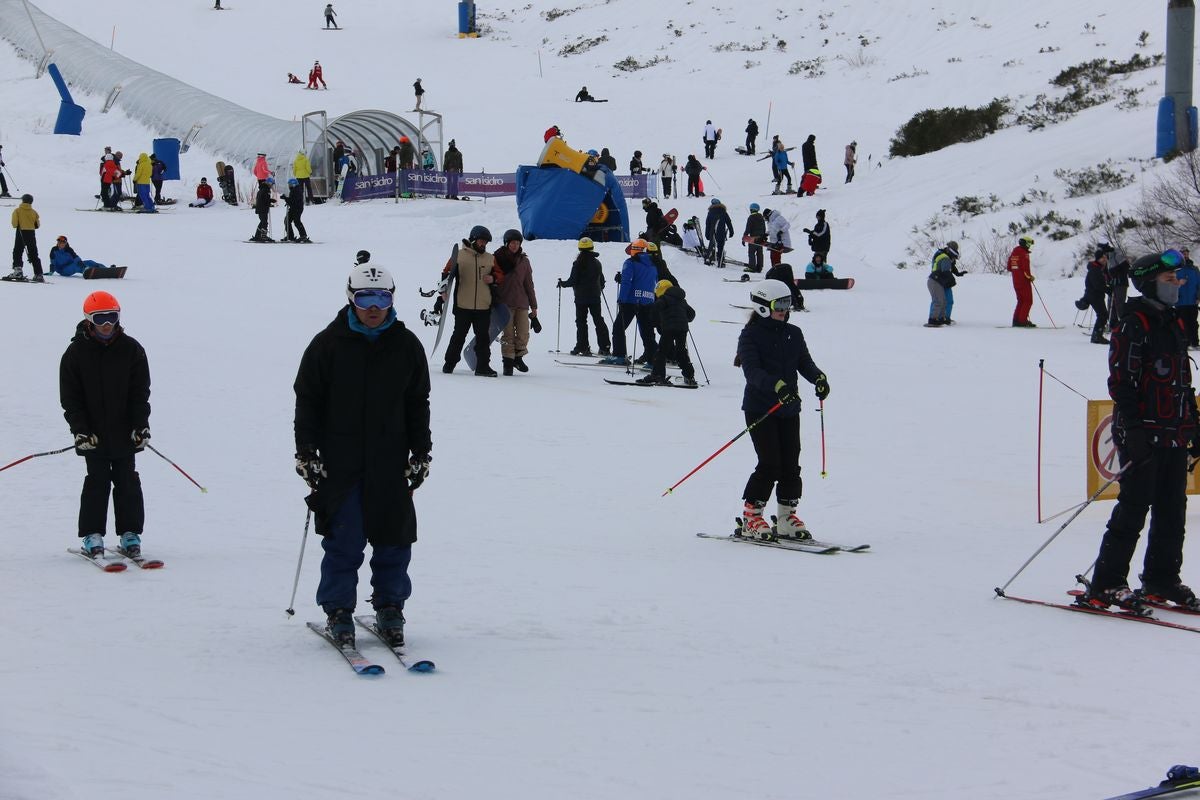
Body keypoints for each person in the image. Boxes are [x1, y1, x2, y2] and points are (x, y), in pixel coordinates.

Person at [294, 263, 433, 648]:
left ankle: (390, 606)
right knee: (344, 539)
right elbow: (307, 402)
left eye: (382, 298)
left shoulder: (406, 346)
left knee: (394, 538)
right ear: (350, 298)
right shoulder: (327, 345)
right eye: (365, 298)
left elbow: (417, 402)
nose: (374, 307)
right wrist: (306, 451)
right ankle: (339, 610)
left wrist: (422, 451)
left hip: (391, 461)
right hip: (342, 462)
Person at [1077, 249, 1200, 613]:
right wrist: (1133, 427)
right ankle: (1107, 583)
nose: (1176, 284)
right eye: (1168, 280)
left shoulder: (1175, 322)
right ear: (1149, 283)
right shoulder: (1134, 323)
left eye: (1176, 279)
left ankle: (1161, 578)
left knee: (1172, 509)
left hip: (1174, 432)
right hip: (1142, 431)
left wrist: (1193, 424)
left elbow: (1183, 381)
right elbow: (1122, 382)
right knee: (1134, 507)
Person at [735, 279, 830, 541]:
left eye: (788, 304)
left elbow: (805, 363)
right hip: (760, 408)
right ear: (764, 306)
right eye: (780, 304)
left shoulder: (793, 333)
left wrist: (819, 378)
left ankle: (787, 517)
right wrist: (777, 385)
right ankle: (751, 518)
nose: (785, 310)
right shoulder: (750, 335)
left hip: (789, 408)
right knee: (769, 463)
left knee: (790, 464)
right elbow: (752, 372)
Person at [60, 290, 151, 560]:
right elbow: (70, 399)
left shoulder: (132, 349)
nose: (107, 324)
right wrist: (80, 430)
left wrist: (140, 426)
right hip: (93, 435)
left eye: (112, 317)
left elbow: (140, 393)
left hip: (124, 433)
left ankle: (130, 534)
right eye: (101, 318)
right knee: (97, 481)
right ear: (89, 320)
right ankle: (92, 535)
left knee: (128, 481)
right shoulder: (75, 354)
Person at [442, 225, 501, 377]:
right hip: (463, 305)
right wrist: (442, 292)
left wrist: (493, 278)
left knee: (483, 339)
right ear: (473, 239)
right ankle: (449, 363)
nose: (484, 244)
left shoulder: (490, 258)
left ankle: (482, 367)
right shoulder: (459, 256)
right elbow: (446, 274)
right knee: (458, 336)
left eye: (486, 242)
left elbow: (500, 276)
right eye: (481, 241)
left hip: (483, 306)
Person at [605, 239, 658, 365]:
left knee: (619, 327)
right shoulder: (653, 264)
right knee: (647, 332)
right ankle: (653, 360)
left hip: (631, 301)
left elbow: (627, 282)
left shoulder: (630, 262)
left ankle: (619, 356)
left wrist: (621, 298)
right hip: (648, 301)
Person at [638, 280, 697, 387]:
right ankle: (689, 375)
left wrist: (654, 322)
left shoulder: (664, 299)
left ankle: (657, 375)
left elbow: (655, 309)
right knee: (681, 352)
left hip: (669, 328)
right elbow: (692, 314)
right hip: (682, 329)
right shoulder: (682, 300)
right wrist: (683, 318)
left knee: (661, 352)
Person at [494, 229, 538, 376]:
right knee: (507, 335)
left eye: (517, 243)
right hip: (504, 302)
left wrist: (534, 306)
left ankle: (518, 358)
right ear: (507, 243)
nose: (515, 246)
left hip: (522, 302)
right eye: (512, 243)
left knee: (523, 333)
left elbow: (529, 284)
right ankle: (508, 363)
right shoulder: (497, 258)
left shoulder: (524, 261)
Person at [559, 237, 611, 357]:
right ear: (592, 247)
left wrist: (563, 284)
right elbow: (601, 281)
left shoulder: (578, 263)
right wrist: (599, 287)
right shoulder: (597, 263)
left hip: (581, 298)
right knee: (598, 320)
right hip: (595, 297)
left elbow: (572, 280)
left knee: (581, 322)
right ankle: (605, 347)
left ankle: (582, 346)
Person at [1076, 244, 1114, 344]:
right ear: (1098, 259)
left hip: (1095, 294)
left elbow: (1103, 280)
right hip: (1094, 295)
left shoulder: (1099, 268)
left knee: (1102, 315)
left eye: (1105, 257)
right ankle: (1097, 336)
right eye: (1102, 258)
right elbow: (1097, 284)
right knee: (1103, 315)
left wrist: (1109, 285)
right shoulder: (1095, 269)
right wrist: (1108, 290)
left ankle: (1097, 335)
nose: (1104, 259)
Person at [926, 241, 963, 327]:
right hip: (937, 279)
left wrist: (957, 273)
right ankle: (933, 319)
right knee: (938, 300)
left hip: (942, 280)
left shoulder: (947, 255)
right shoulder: (944, 256)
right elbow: (946, 270)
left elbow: (951, 266)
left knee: (947, 300)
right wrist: (952, 280)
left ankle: (943, 318)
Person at [9, 193, 43, 282]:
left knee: (17, 251)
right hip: (31, 233)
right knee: (33, 253)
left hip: (21, 232)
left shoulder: (17, 211)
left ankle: (18, 270)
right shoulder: (34, 212)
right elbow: (37, 225)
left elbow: (14, 224)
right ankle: (38, 274)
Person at [48, 235, 115, 278]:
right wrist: (51, 271)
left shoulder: (69, 250)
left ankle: (106, 269)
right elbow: (52, 262)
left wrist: (82, 264)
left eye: (63, 243)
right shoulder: (54, 250)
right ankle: (86, 271)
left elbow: (76, 258)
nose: (61, 244)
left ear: (65, 243)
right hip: (63, 270)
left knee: (89, 262)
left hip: (71, 265)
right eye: (59, 243)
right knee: (76, 266)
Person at [1008, 235, 1036, 327]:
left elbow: (1009, 267)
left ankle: (1016, 320)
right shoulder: (1024, 253)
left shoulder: (1014, 252)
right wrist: (1030, 277)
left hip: (1015, 281)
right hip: (1023, 281)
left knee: (1021, 301)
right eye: (1029, 244)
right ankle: (1022, 321)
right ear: (1026, 243)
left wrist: (1017, 273)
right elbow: (1025, 268)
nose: (1030, 246)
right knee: (1028, 301)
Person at [1175, 245, 1200, 348]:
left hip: (1193, 301)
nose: (1185, 254)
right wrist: (1178, 282)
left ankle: (1195, 343)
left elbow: (1199, 284)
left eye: (1186, 252)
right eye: (1182, 252)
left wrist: (1198, 297)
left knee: (1193, 323)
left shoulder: (1194, 269)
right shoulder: (1175, 269)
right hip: (1180, 302)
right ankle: (1184, 343)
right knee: (1182, 323)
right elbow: (1169, 284)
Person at [704, 198, 734, 267]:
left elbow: (707, 224)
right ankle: (720, 261)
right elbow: (729, 222)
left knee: (711, 246)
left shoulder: (710, 213)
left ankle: (708, 259)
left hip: (712, 232)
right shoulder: (723, 212)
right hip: (721, 232)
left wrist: (707, 234)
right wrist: (731, 231)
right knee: (720, 247)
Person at [282, 178, 309, 243]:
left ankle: (303, 236)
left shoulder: (296, 190)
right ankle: (290, 236)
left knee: (297, 221)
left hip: (297, 209)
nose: (289, 186)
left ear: (293, 184)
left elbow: (293, 201)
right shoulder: (294, 190)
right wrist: (287, 199)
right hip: (293, 208)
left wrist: (286, 199)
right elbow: (292, 200)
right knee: (287, 220)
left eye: (290, 184)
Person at [742, 203, 766, 274]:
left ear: (751, 209)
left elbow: (748, 229)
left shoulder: (751, 217)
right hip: (761, 238)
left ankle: (752, 267)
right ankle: (759, 267)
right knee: (760, 253)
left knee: (751, 252)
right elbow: (764, 228)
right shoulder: (761, 217)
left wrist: (744, 237)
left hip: (753, 238)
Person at [252, 177, 275, 242]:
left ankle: (257, 235)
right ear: (269, 183)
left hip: (260, 208)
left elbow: (263, 198)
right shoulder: (266, 189)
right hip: (263, 208)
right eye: (272, 184)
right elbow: (265, 199)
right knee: (264, 222)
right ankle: (263, 236)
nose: (272, 186)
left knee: (262, 222)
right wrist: (270, 201)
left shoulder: (262, 188)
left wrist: (270, 200)